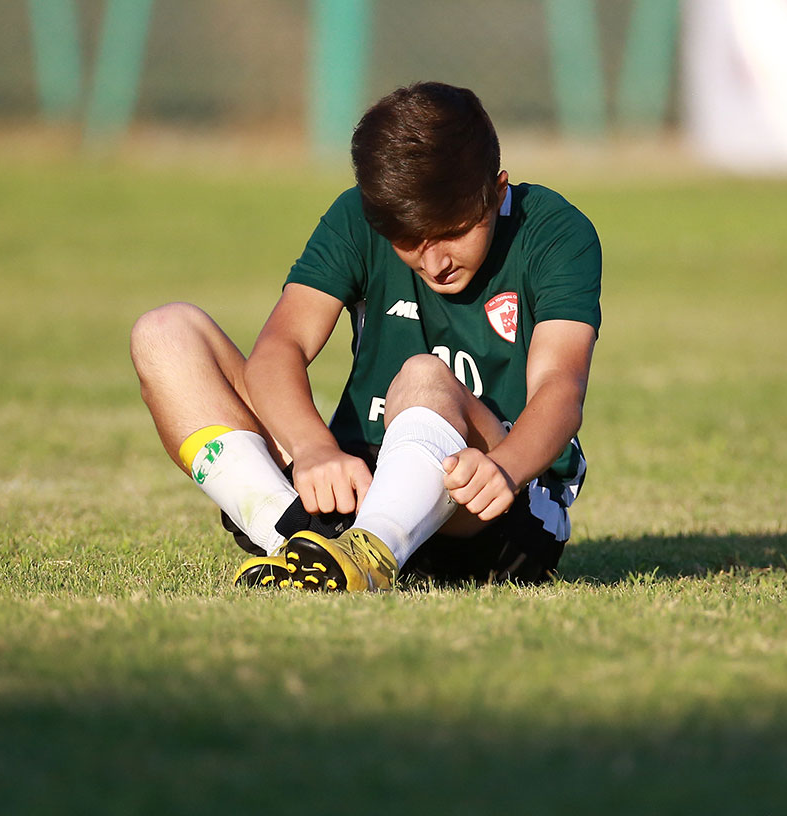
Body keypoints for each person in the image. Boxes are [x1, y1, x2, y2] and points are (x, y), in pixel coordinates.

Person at [130, 82, 601, 592]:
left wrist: (506, 468)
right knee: (165, 333)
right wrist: (313, 448)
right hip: (359, 483)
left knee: (423, 376)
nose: (435, 262)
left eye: (453, 232)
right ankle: (297, 541)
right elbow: (279, 347)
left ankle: (369, 551)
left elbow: (561, 385)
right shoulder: (359, 216)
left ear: (497, 189)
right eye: (409, 241)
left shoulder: (554, 231)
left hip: (492, 501)